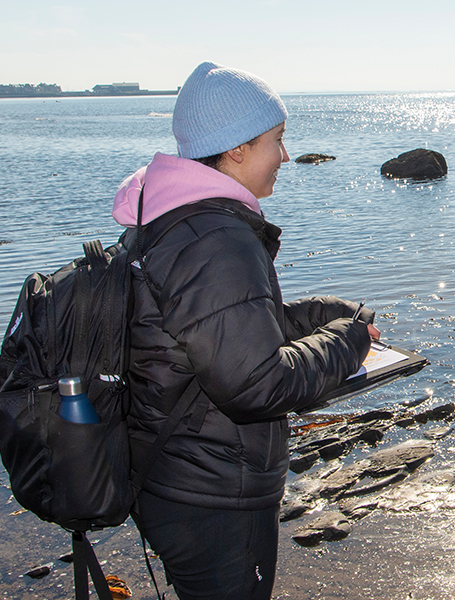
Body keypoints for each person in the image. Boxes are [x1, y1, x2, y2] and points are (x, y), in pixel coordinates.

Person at [113, 62, 379, 600]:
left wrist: (319, 314)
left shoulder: (171, 217)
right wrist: (349, 341)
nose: (285, 155)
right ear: (236, 148)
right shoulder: (215, 238)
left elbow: (205, 334)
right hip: (212, 493)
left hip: (174, 476)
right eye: (276, 140)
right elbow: (255, 383)